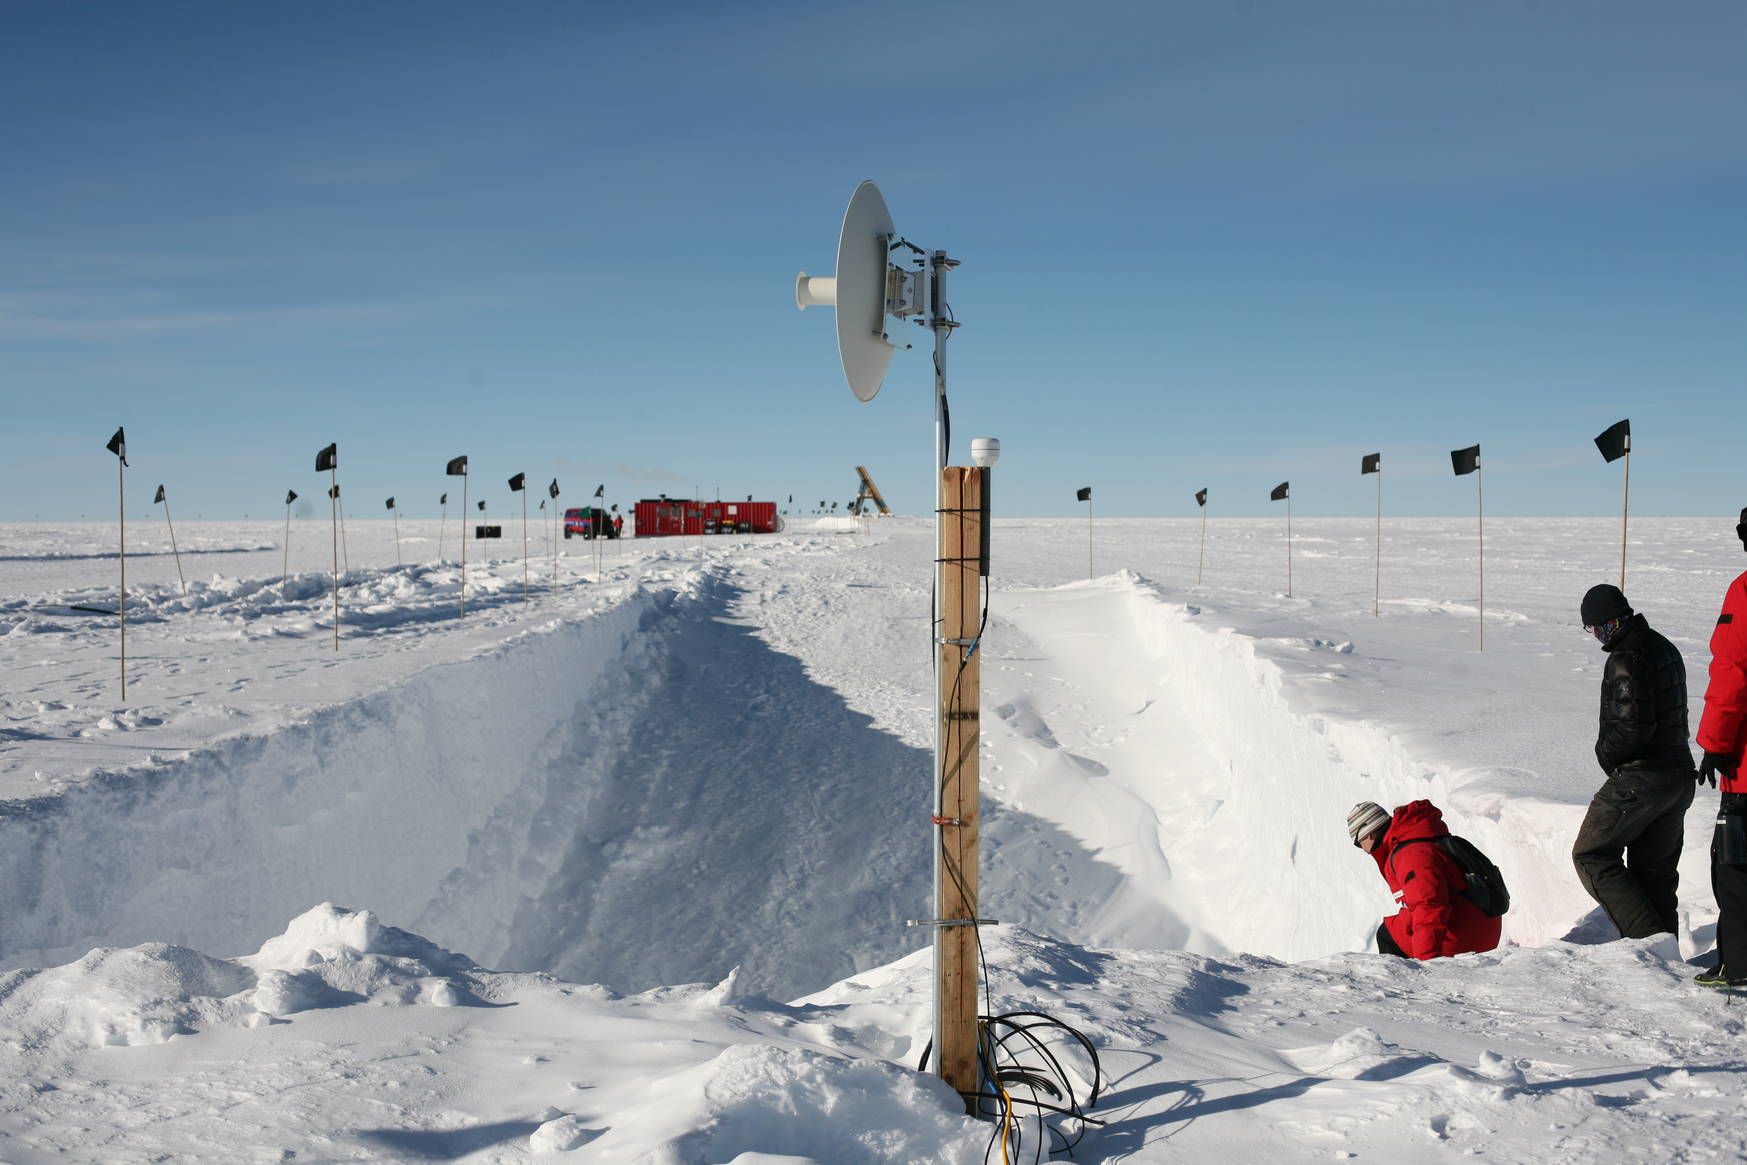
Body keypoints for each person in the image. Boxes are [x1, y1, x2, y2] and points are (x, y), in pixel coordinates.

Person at [1570, 584, 1696, 939]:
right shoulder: (1663, 645)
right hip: (1678, 775)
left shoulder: (1627, 656)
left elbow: (1633, 726)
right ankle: (1665, 957)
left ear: (1609, 622)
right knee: (1653, 873)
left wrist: (1606, 756)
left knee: (1592, 854)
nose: (1594, 635)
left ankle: (1649, 940)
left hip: (1644, 776)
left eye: (1593, 627)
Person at [1695, 508, 1747, 988]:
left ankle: (1741, 967)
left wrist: (1714, 744)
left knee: (1734, 868)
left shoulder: (1746, 590)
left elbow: (1731, 674)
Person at [1348, 800, 1502, 960]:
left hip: (1465, 938)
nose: (1363, 849)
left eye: (1358, 843)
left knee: (1388, 935)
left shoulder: (1411, 854)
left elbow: (1429, 905)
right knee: (1400, 924)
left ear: (1368, 834)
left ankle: (1402, 983)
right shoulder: (1421, 836)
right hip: (1480, 927)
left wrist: (1427, 961)